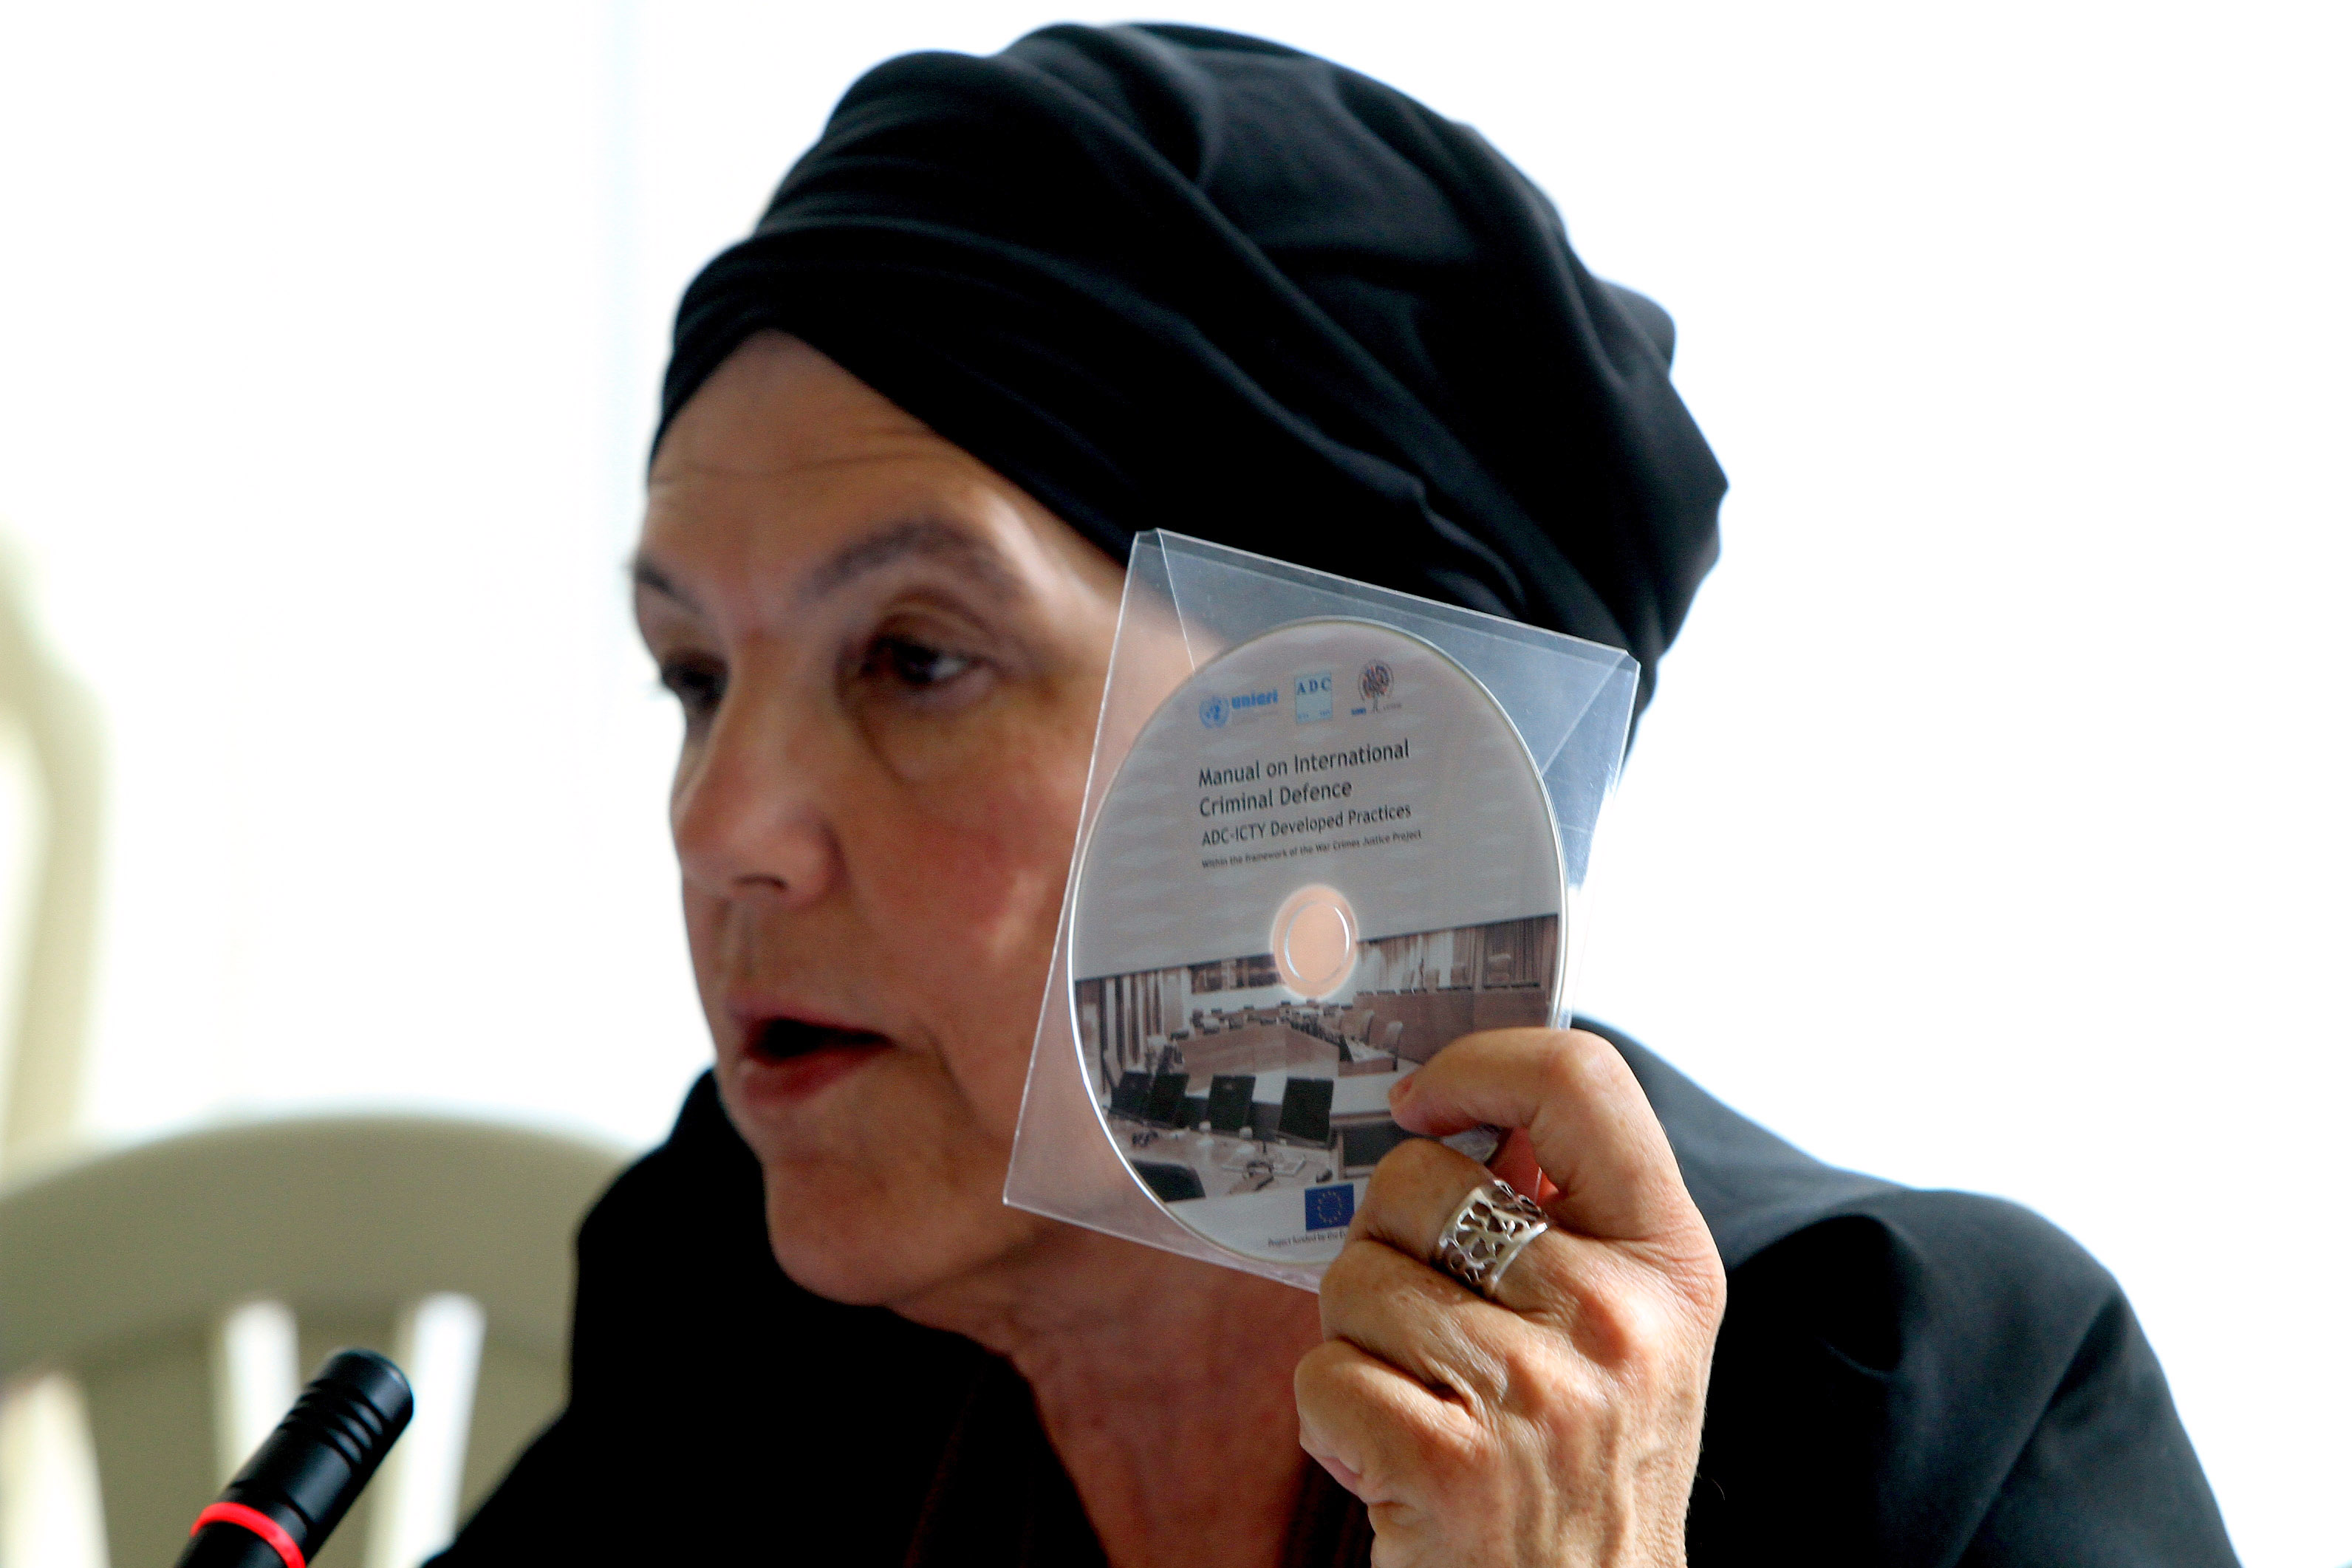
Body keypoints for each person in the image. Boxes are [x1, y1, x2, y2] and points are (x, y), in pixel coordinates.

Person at [436, 24, 2235, 1566]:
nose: (722, 827)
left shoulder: (1915, 1426)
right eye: (693, 677)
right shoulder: (738, 1304)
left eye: (915, 659)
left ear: (1369, 765)